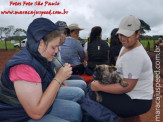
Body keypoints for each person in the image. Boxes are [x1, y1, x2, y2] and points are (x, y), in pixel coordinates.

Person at [0, 18, 84, 122]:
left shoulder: (41, 55)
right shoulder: (24, 67)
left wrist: (59, 80)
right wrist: (59, 79)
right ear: (41, 43)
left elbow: (46, 78)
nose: (56, 51)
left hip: (39, 100)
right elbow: (36, 113)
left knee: (75, 110)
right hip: (19, 115)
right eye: (53, 47)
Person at [90, 15, 153, 118]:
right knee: (94, 83)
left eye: (127, 35)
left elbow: (127, 86)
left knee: (93, 93)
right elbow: (122, 67)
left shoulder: (135, 55)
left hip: (137, 100)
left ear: (137, 34)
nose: (123, 38)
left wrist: (99, 86)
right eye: (121, 34)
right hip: (131, 93)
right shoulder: (125, 47)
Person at [53, 20, 87, 90]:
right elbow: (82, 56)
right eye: (76, 33)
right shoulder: (76, 42)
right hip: (71, 70)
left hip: (64, 71)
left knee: (81, 81)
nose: (78, 35)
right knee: (82, 82)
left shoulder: (59, 46)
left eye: (78, 33)